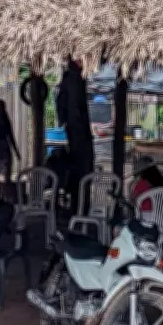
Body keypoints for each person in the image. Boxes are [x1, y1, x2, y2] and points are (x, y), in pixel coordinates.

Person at [56, 58, 94, 214]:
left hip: (77, 128)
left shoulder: (75, 79)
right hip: (77, 128)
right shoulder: (72, 79)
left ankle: (79, 207)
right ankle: (78, 208)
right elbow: (71, 105)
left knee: (81, 170)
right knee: (80, 171)